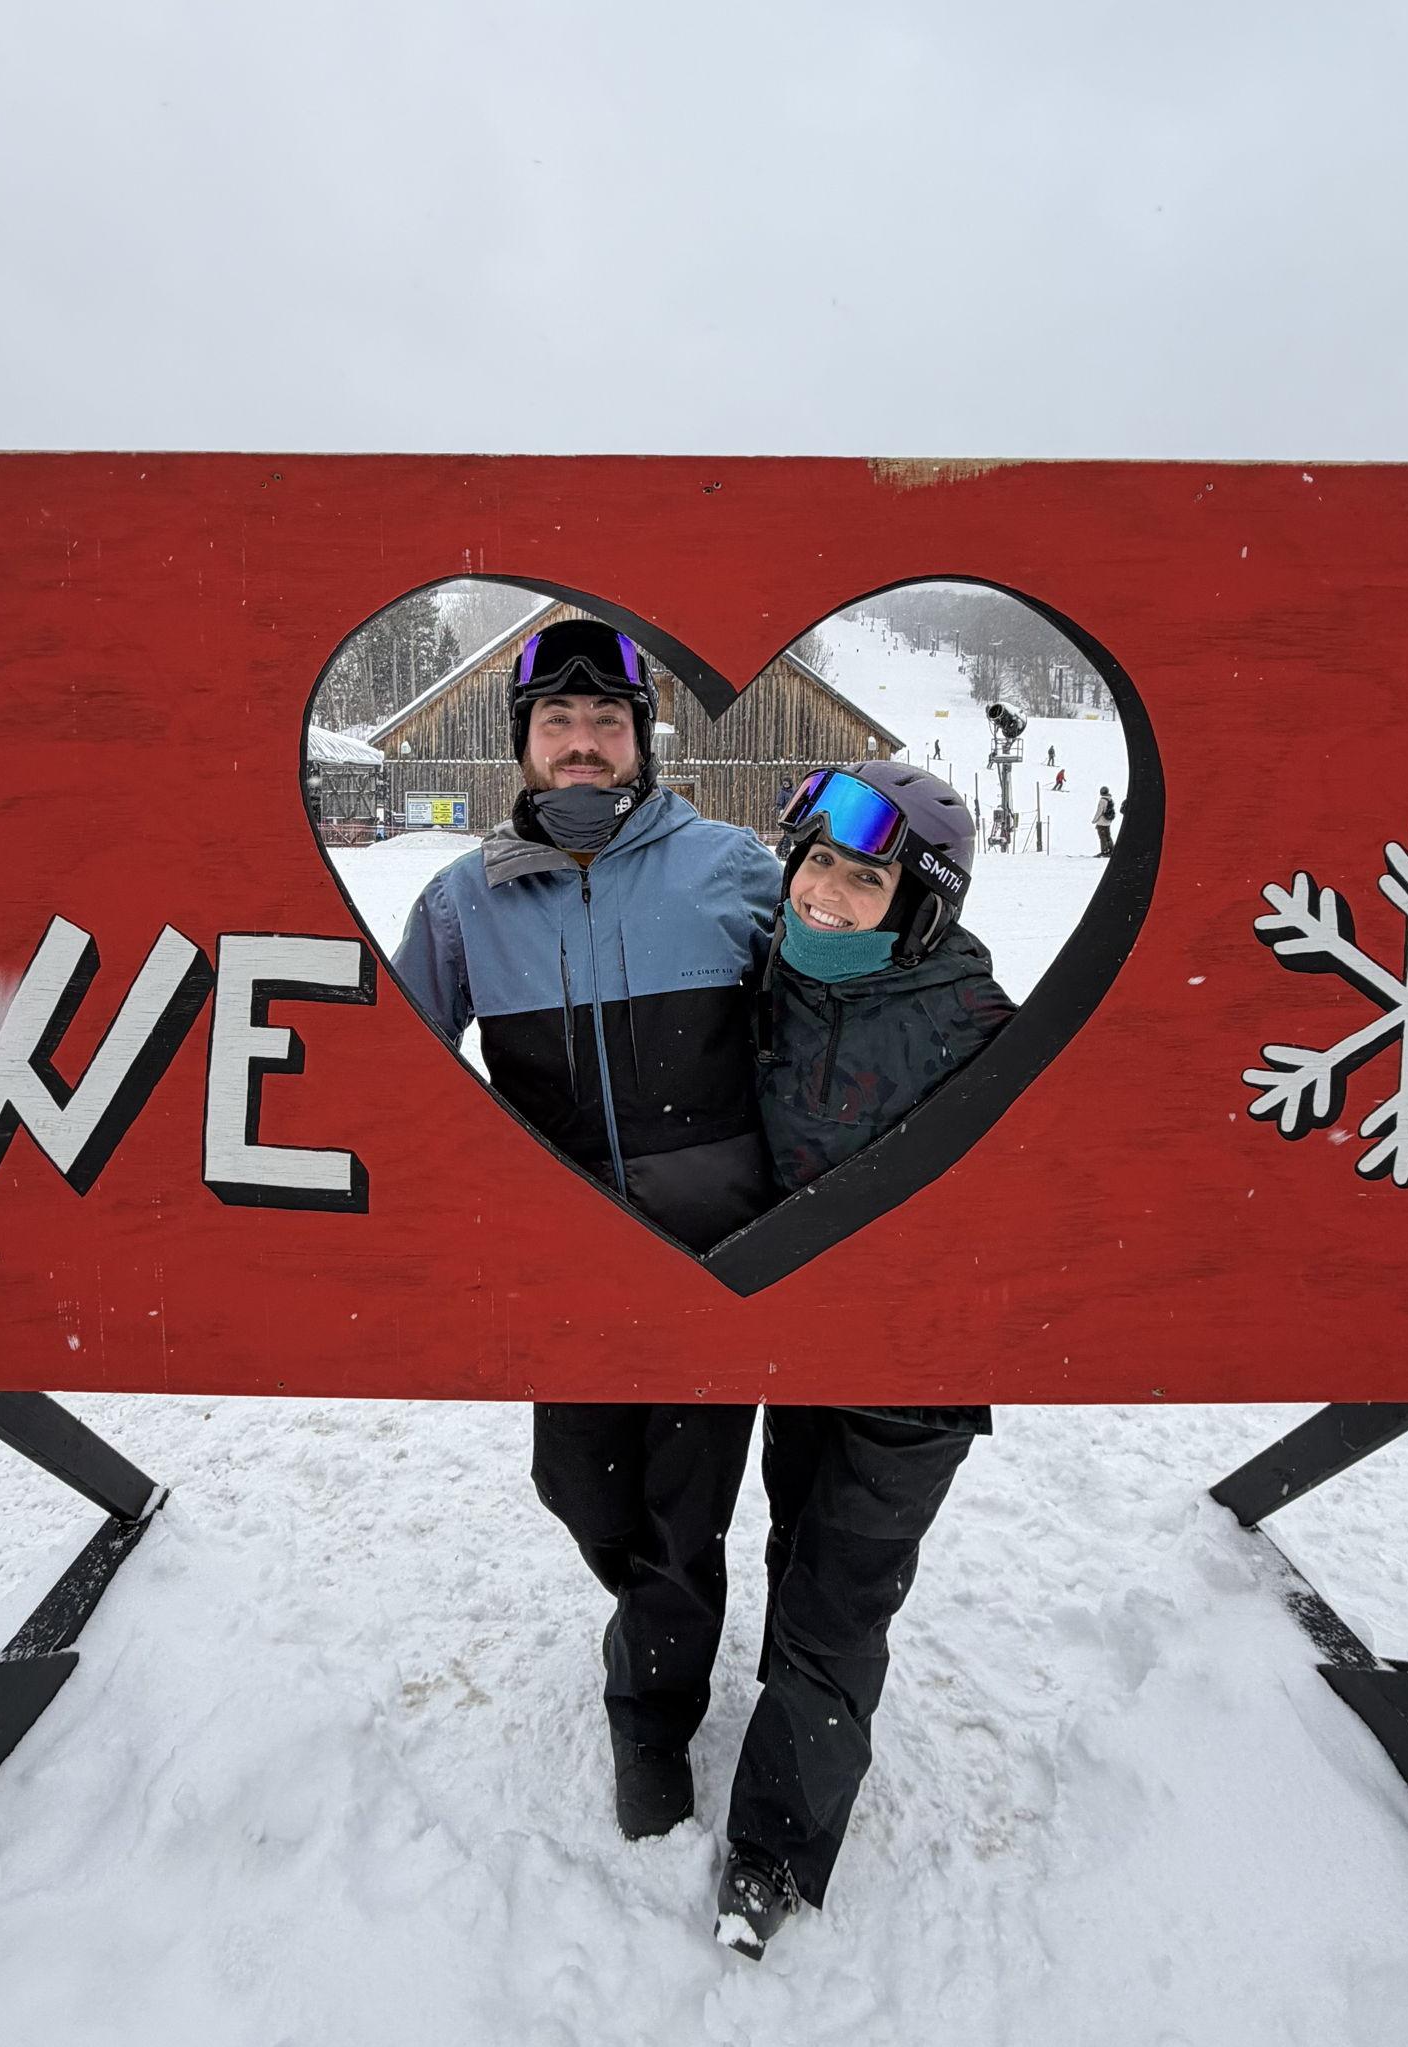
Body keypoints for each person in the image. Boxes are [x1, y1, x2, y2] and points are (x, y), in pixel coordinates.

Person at [394, 618, 782, 1842]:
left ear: (638, 742)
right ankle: (658, 1619)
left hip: (715, 1260)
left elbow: (831, 1012)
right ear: (522, 745)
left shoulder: (730, 867)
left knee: (683, 1509)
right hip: (559, 1265)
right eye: (556, 725)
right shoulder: (464, 900)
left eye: (604, 725)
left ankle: (651, 1708)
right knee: (578, 1485)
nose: (581, 744)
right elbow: (393, 1069)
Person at [714, 761, 1016, 1959]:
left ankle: (775, 1850)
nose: (827, 894)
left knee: (843, 1594)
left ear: (919, 905)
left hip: (911, 1379)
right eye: (818, 862)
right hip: (800, 1346)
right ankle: (798, 1692)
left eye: (866, 875)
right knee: (799, 1536)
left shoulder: (975, 1022)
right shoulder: (762, 979)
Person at [1092, 783, 1117, 857]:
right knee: (1108, 836)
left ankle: (1104, 851)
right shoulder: (1110, 799)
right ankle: (1111, 849)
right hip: (1108, 821)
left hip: (1102, 822)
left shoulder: (1102, 800)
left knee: (1102, 837)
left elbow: (1099, 811)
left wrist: (1094, 820)